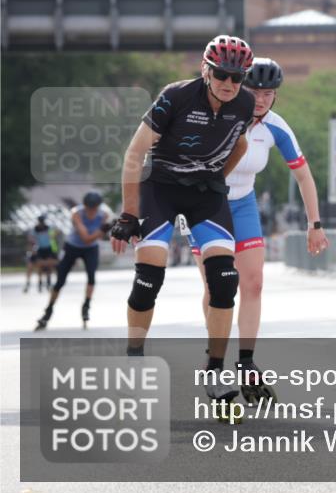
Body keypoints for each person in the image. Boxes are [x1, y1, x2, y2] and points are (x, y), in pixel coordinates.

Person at [109, 35, 255, 413]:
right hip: (160, 188)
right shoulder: (176, 95)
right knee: (149, 278)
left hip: (205, 193)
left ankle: (215, 370)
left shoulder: (245, 104)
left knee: (224, 280)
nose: (229, 83)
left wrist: (217, 177)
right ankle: (135, 355)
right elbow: (135, 152)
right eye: (222, 74)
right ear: (206, 70)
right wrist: (128, 212)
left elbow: (240, 145)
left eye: (237, 77)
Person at [187, 57, 329, 402]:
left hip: (244, 203)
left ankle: (246, 362)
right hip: (205, 204)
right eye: (254, 90)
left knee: (253, 283)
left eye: (269, 92)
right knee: (218, 285)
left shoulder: (276, 126)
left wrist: (315, 224)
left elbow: (303, 174)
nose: (261, 98)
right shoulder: (215, 114)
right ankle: (215, 358)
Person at [34, 192, 111, 330]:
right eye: (89, 209)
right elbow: (86, 238)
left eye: (94, 209)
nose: (91, 212)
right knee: (60, 281)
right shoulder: (76, 213)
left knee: (92, 277)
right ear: (84, 206)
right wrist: (102, 231)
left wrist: (108, 230)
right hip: (73, 247)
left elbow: (101, 237)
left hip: (91, 249)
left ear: (98, 207)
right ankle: (48, 310)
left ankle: (86, 305)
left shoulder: (103, 214)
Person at [28, 215, 59, 293]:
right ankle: (40, 282)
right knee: (40, 266)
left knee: (49, 265)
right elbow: (31, 238)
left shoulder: (48, 228)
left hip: (48, 248)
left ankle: (48, 281)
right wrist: (33, 245)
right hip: (40, 249)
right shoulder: (35, 229)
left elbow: (54, 233)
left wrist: (53, 234)